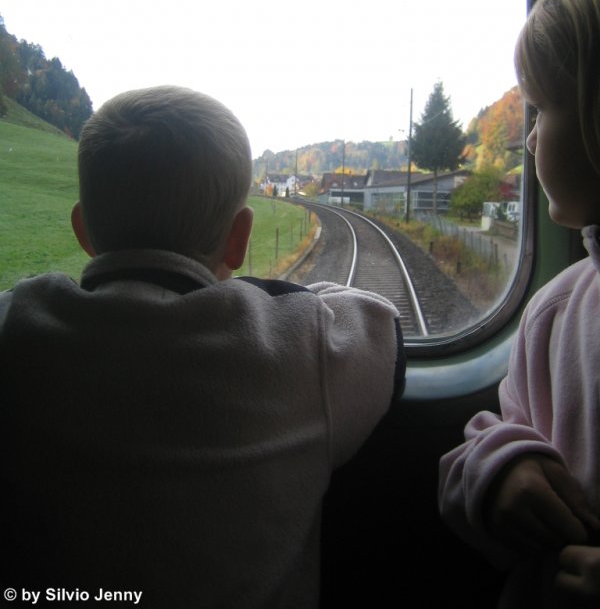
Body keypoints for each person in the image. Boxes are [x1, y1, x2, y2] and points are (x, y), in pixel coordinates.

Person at [0, 86, 404, 608]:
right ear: (239, 239)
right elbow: (385, 333)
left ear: (83, 230)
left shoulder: (17, 325)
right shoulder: (298, 343)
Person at [438, 0, 600, 608]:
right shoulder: (556, 310)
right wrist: (500, 471)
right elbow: (494, 439)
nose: (529, 139)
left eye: (542, 110)